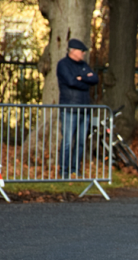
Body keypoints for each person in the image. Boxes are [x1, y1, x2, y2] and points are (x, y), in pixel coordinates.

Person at [57, 38, 98, 179]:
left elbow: (95, 79)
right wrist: (84, 81)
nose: (83, 54)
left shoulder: (84, 65)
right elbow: (71, 81)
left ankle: (76, 169)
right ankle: (64, 170)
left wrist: (82, 79)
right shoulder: (63, 65)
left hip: (84, 108)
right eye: (82, 51)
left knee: (81, 142)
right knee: (68, 141)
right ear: (73, 51)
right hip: (70, 108)